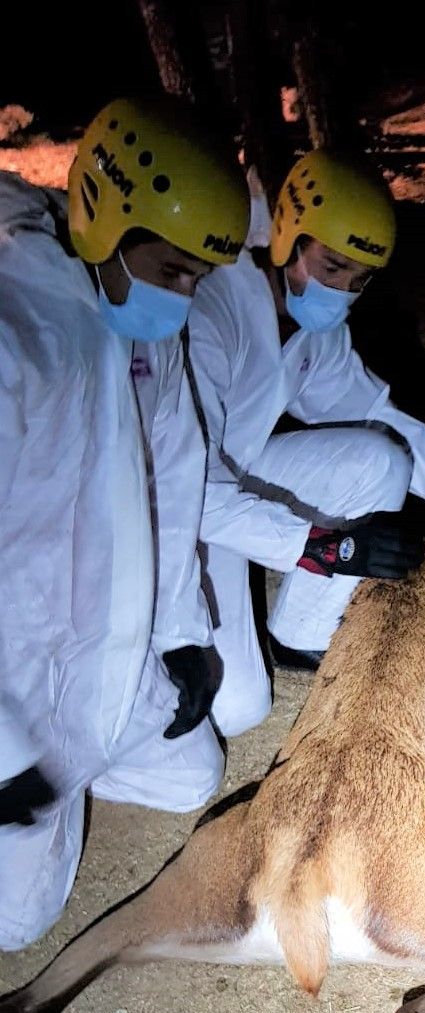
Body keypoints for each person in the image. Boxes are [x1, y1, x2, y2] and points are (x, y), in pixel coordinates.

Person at [0, 97, 250, 950]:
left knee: (194, 776)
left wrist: (181, 629)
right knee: (19, 921)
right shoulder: (16, 337)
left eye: (197, 278)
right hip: (16, 663)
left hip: (108, 641)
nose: (182, 296)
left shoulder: (132, 313)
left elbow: (175, 472)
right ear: (106, 218)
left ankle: (67, 774)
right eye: (173, 268)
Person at [188, 150, 425, 738]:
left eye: (359, 279)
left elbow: (367, 409)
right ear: (288, 237)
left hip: (230, 477)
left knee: (380, 455)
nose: (342, 291)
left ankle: (303, 636)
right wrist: (326, 549)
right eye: (332, 266)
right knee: (235, 712)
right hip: (173, 508)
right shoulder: (213, 310)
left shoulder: (314, 323)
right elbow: (193, 495)